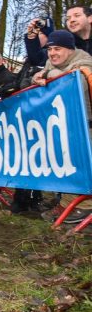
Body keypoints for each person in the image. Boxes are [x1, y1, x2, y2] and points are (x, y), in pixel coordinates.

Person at [31, 30, 92, 223]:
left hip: (86, 125)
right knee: (67, 163)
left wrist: (50, 75)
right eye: (49, 49)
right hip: (67, 125)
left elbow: (74, 85)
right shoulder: (51, 63)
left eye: (58, 48)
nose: (52, 53)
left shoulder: (85, 62)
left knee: (83, 165)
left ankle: (84, 207)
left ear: (70, 49)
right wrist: (36, 77)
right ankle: (66, 203)